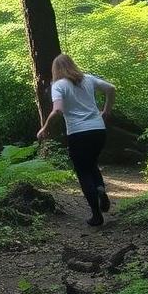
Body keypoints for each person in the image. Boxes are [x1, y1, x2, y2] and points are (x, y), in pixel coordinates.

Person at [36, 53, 115, 227]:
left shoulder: (58, 85)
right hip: (98, 130)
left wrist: (45, 128)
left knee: (83, 171)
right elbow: (111, 88)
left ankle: (96, 215)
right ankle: (100, 189)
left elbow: (57, 111)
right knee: (91, 162)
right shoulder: (88, 79)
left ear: (55, 69)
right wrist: (106, 111)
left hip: (78, 133)